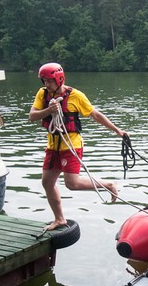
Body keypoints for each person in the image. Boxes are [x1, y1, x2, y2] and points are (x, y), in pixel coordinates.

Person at [29, 62, 128, 230]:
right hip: (53, 146)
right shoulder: (43, 94)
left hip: (71, 145)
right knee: (47, 182)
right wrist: (49, 110)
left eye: (49, 81)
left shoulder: (76, 96)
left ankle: (109, 185)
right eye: (44, 81)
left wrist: (117, 131)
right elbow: (32, 116)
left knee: (72, 183)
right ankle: (59, 219)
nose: (46, 84)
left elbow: (95, 114)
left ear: (59, 79)